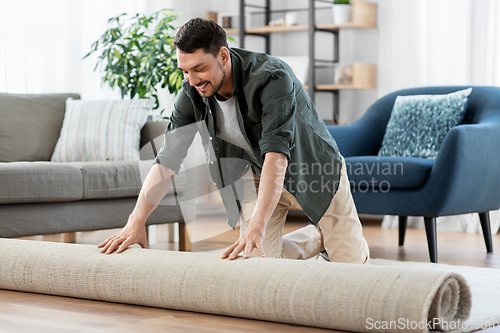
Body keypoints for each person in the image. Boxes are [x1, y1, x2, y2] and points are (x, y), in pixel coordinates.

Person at [98, 18, 370, 264]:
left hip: (314, 171)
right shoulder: (192, 92)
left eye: (199, 68)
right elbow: (167, 160)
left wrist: (257, 226)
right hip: (255, 177)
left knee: (353, 273)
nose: (192, 81)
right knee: (258, 265)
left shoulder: (272, 77)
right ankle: (315, 239)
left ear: (224, 56)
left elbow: (277, 155)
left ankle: (329, 239)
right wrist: (136, 222)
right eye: (184, 71)